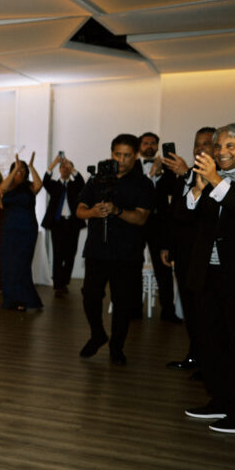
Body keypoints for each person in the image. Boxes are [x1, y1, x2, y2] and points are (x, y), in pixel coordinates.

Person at [183, 123, 235, 433]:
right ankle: (221, 400)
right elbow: (189, 219)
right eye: (218, 146)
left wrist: (215, 181)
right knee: (213, 343)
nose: (221, 152)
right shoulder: (210, 176)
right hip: (209, 275)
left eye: (230, 146)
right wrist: (196, 190)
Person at [76, 134, 153, 365]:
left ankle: (117, 347)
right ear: (111, 153)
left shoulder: (143, 183)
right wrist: (92, 212)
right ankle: (97, 334)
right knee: (90, 295)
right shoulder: (96, 180)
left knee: (122, 303)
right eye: (117, 154)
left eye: (127, 155)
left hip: (127, 253)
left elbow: (141, 218)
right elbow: (79, 209)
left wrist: (117, 210)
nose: (121, 159)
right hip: (96, 250)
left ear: (136, 155)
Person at [160, 127, 215, 372]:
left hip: (205, 256)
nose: (199, 148)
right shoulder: (183, 175)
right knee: (190, 309)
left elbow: (205, 211)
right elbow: (175, 215)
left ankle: (209, 362)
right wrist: (168, 247)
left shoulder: (219, 177)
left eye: (206, 143)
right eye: (196, 143)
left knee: (205, 311)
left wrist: (186, 175)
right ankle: (194, 355)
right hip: (183, 254)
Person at [137, 131, 178, 321]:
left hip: (160, 224)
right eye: (145, 143)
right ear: (139, 147)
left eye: (153, 143)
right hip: (137, 222)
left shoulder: (167, 166)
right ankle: (134, 309)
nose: (149, 146)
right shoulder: (133, 167)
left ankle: (168, 311)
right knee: (133, 266)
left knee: (163, 268)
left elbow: (173, 189)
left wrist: (164, 172)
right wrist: (152, 174)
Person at [0, 154, 43, 311]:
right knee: (8, 264)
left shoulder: (30, 186)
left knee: (22, 264)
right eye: (18, 168)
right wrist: (15, 169)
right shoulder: (8, 186)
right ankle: (11, 299)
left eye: (23, 169)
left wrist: (31, 166)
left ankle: (24, 299)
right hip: (9, 229)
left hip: (27, 229)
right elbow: (2, 188)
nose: (20, 170)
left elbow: (39, 184)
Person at [41, 154, 85, 295]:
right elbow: (45, 181)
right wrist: (54, 163)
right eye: (63, 167)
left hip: (72, 223)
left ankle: (64, 281)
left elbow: (81, 182)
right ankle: (58, 285)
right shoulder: (54, 185)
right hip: (57, 224)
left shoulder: (75, 185)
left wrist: (72, 169)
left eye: (67, 168)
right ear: (59, 170)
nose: (65, 169)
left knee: (70, 255)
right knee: (58, 254)